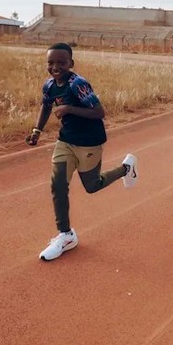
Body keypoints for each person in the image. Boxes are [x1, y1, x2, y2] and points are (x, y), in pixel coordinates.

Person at [26, 42, 137, 261]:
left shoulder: (78, 85)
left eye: (61, 62)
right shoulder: (49, 85)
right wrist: (37, 130)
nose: (55, 67)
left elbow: (99, 112)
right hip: (66, 141)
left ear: (71, 63)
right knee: (58, 184)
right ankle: (66, 234)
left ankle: (126, 169)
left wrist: (69, 108)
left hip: (89, 142)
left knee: (92, 186)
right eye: (51, 62)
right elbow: (46, 106)